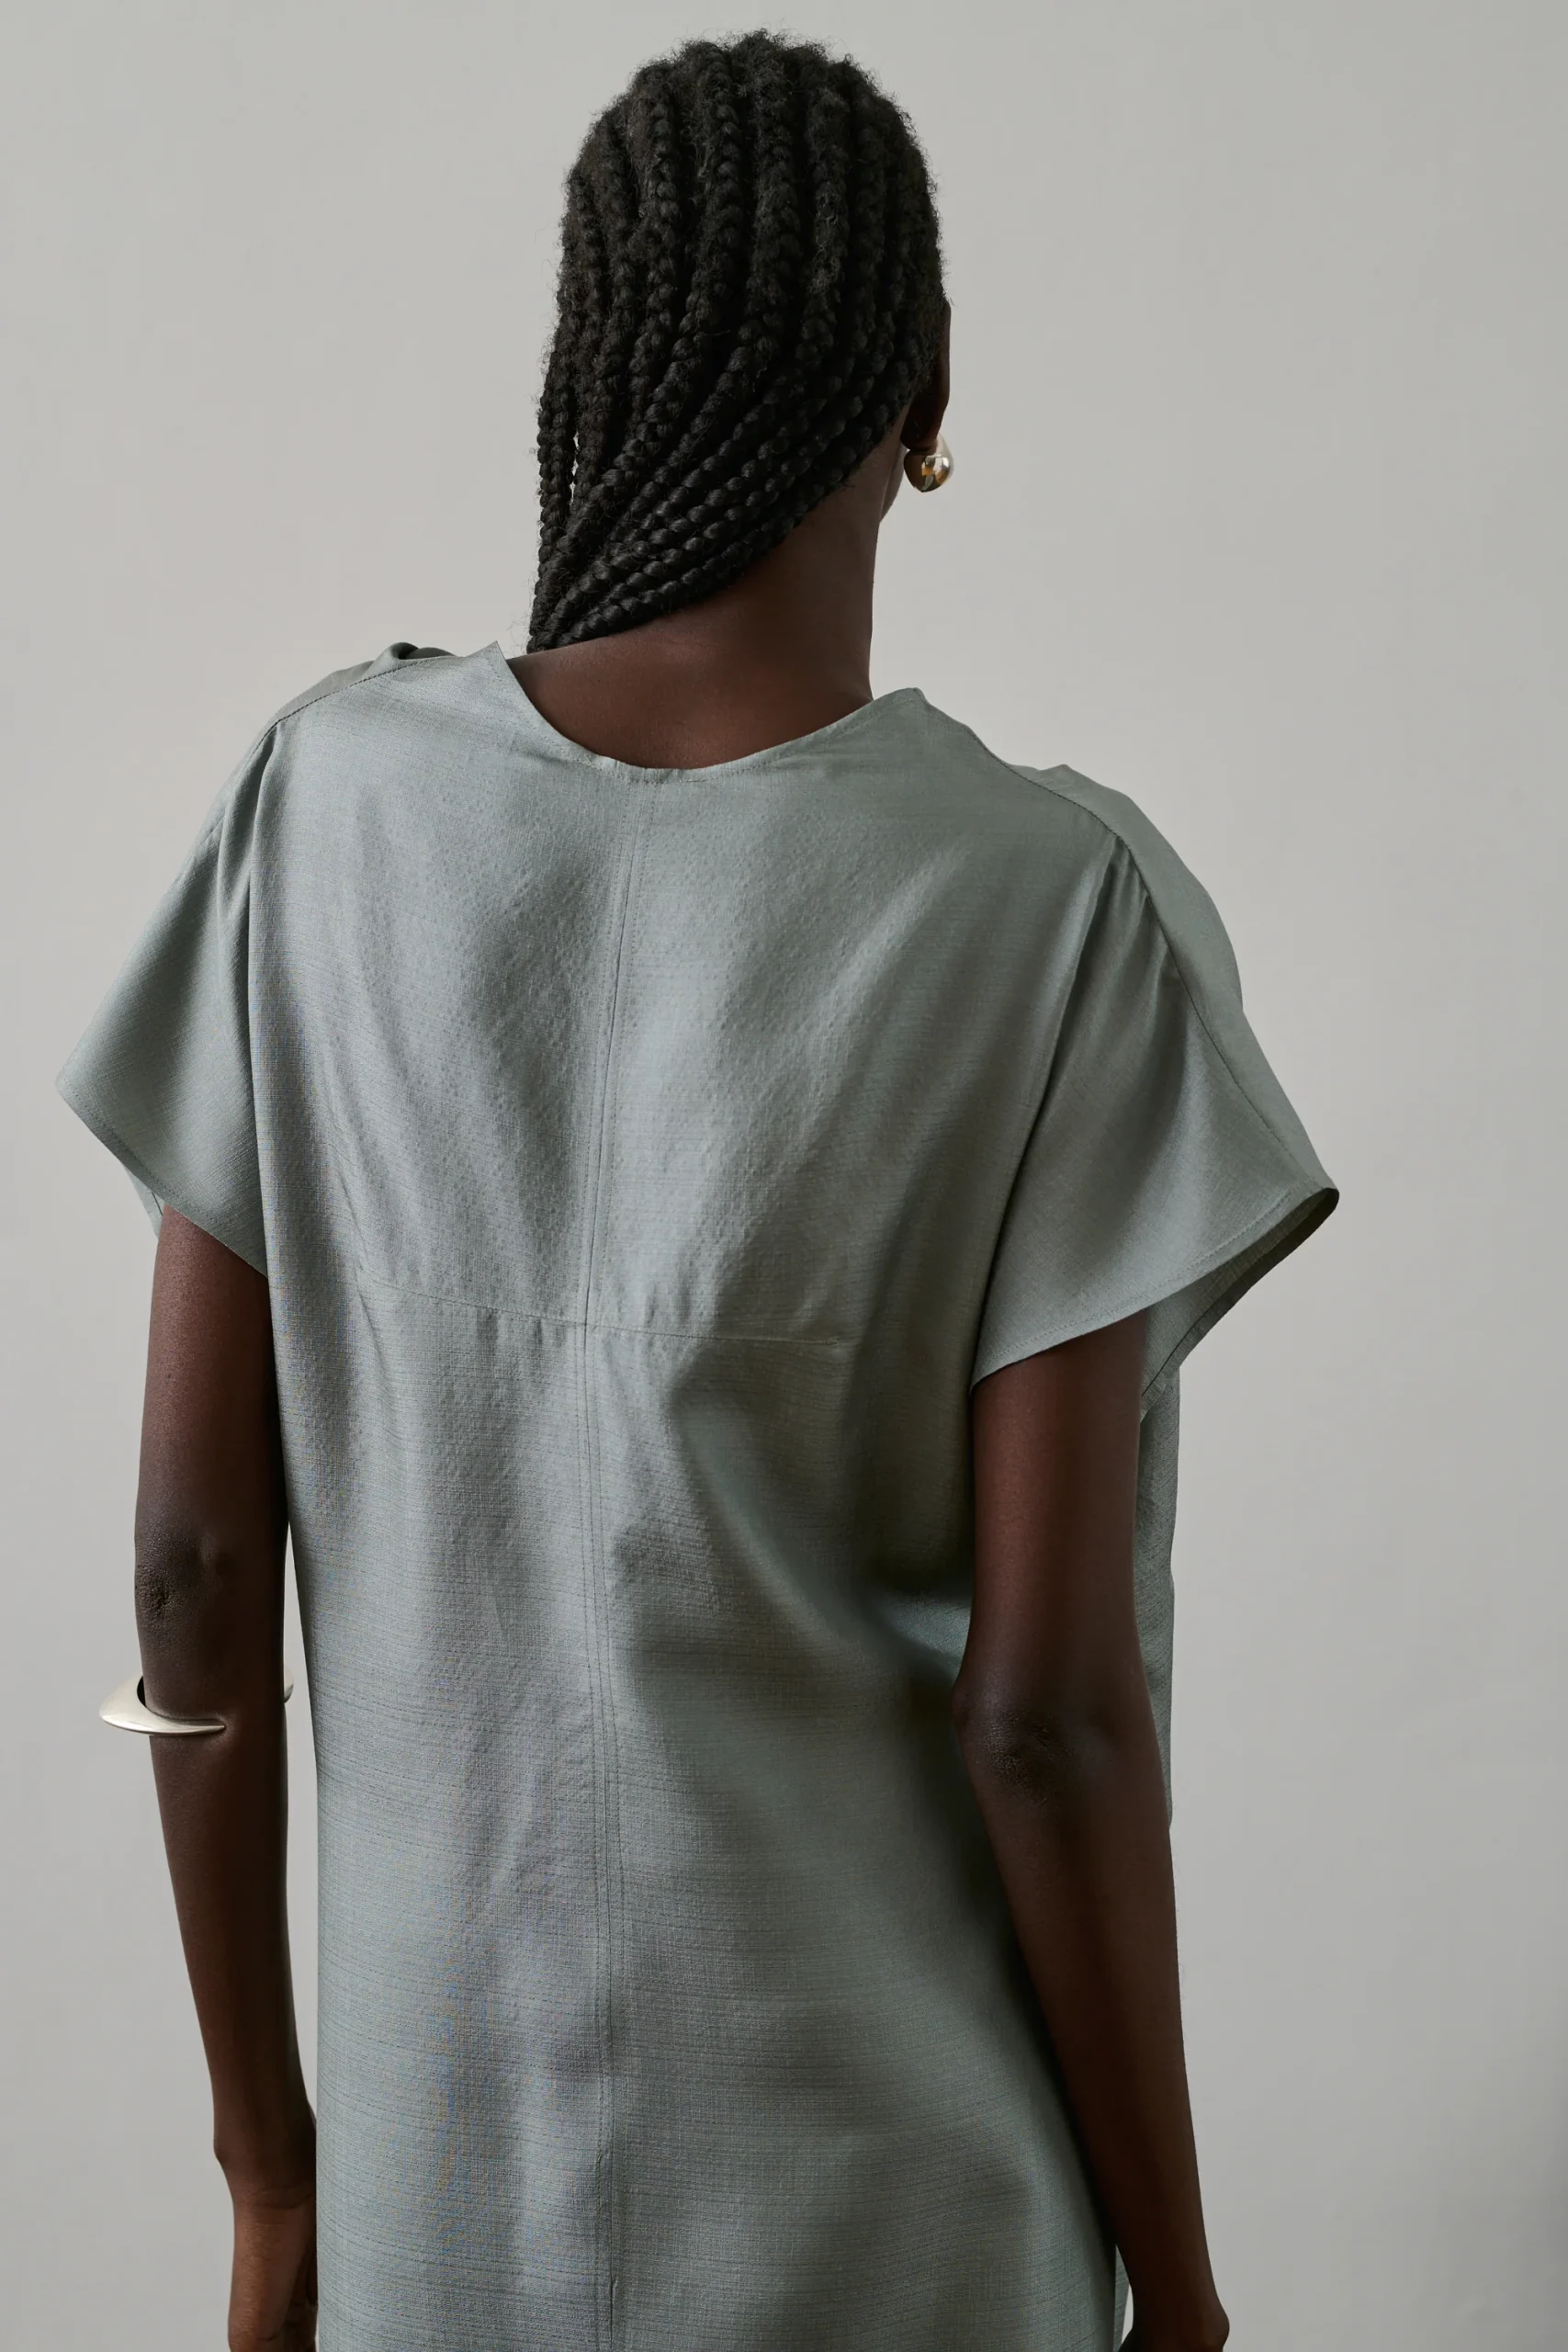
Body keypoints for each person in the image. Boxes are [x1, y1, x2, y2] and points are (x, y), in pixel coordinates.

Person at [62, 31, 1335, 2352]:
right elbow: (1047, 1712)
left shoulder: (314, 815)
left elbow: (188, 1565)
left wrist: (271, 2171)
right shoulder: (1056, 906)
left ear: (586, 370)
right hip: (906, 2238)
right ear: (925, 394)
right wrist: (1181, 2292)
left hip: (441, 2219)